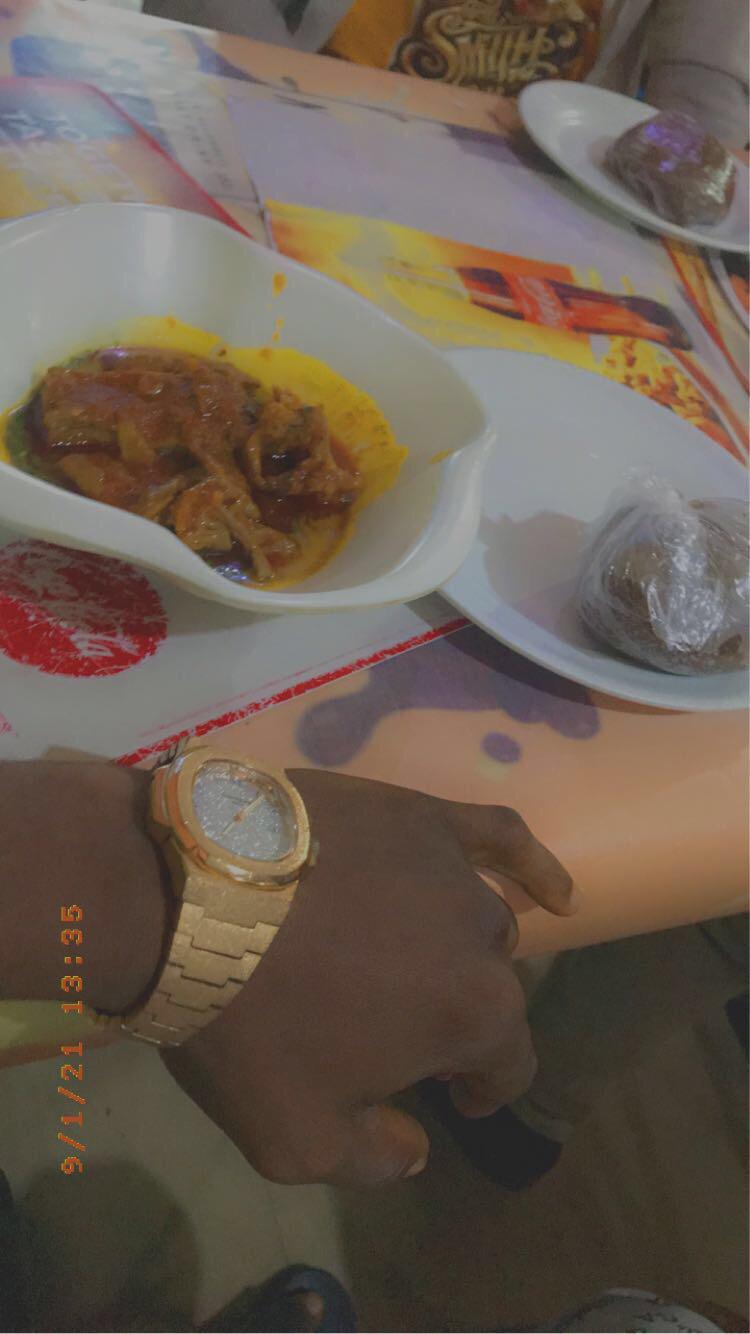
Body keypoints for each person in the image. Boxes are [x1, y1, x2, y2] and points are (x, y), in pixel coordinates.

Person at [143, 0, 750, 144]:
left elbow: (703, 100)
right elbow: (206, 18)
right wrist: (279, 110)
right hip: (298, 114)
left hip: (544, 176)